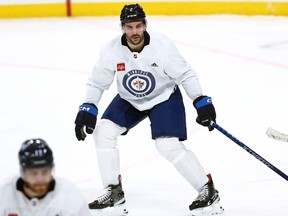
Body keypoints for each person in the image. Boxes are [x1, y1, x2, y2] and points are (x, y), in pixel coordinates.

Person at [74, 3, 224, 215]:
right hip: (129, 99)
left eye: (138, 26)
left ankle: (206, 190)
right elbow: (97, 82)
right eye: (129, 27)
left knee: (167, 145)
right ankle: (114, 192)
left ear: (145, 25)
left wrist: (200, 100)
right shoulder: (111, 50)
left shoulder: (162, 47)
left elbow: (186, 74)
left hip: (163, 97)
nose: (134, 32)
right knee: (103, 133)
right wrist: (88, 108)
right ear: (122, 28)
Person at [0, 138, 91, 216]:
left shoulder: (71, 198)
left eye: (44, 172)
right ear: (23, 172)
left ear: (51, 170)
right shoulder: (3, 195)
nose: (40, 179)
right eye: (33, 173)